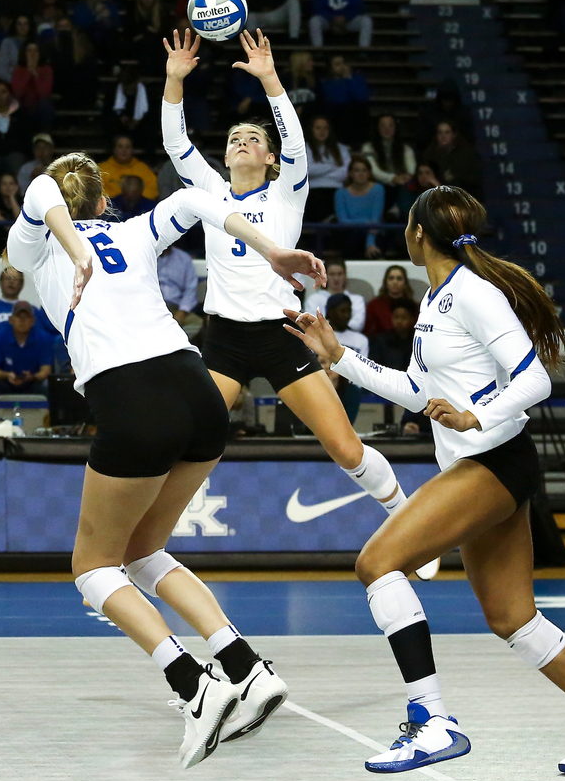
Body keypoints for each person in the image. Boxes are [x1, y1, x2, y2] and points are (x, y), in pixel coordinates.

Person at [285, 184, 565, 776]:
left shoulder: (473, 295)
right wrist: (337, 357)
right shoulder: (438, 299)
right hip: (490, 463)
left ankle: (431, 720)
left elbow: (535, 380)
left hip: (493, 460)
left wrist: (475, 415)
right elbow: (416, 391)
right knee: (513, 618)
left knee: (376, 564)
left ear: (417, 234)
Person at [5, 148, 322, 768]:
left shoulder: (35, 246)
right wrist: (272, 250)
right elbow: (196, 200)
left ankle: (192, 684)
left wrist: (71, 250)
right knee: (145, 551)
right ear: (103, 202)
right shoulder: (133, 229)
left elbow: (40, 187)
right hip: (199, 392)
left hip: (133, 397)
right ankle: (243, 665)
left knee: (93, 568)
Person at [161, 29, 429, 573]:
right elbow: (173, 142)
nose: (240, 141)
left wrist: (269, 78)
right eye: (234, 136)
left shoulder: (287, 190)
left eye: (252, 138)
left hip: (282, 334)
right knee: (188, 439)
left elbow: (298, 143)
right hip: (225, 338)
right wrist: (174, 79)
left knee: (345, 448)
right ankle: (144, 545)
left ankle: (409, 522)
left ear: (269, 158)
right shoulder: (208, 191)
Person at [0, 301, 54, 402]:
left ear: (33, 321)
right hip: (6, 382)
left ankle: (52, 417)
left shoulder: (44, 338)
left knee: (48, 385)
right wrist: (7, 375)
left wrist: (32, 377)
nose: (22, 321)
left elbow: (46, 370)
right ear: (11, 320)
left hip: (32, 383)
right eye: (18, 317)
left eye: (26, 317)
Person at [324, 293, 369, 422]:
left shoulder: (361, 340)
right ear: (330, 312)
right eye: (342, 311)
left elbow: (363, 370)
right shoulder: (319, 336)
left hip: (351, 388)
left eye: (349, 311)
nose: (347, 316)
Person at [335, 155, 386, 258]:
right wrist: (365, 222)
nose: (361, 174)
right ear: (350, 173)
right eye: (357, 170)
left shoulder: (378, 189)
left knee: (376, 248)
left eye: (364, 170)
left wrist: (370, 244)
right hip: (350, 234)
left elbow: (375, 221)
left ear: (369, 173)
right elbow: (343, 221)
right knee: (353, 238)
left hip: (374, 234)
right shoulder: (341, 193)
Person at [361, 114, 416, 208]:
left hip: (401, 185)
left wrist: (405, 178)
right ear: (377, 128)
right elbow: (373, 171)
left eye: (390, 125)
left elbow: (411, 169)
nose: (387, 129)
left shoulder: (406, 149)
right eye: (383, 126)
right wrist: (392, 178)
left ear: (395, 128)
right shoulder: (368, 148)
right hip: (378, 185)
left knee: (408, 188)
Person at [304, 114, 351, 222]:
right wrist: (333, 166)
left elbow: (345, 172)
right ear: (312, 130)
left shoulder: (341, 149)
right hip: (312, 192)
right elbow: (307, 170)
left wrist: (319, 170)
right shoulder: (304, 149)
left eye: (325, 128)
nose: (322, 131)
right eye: (318, 128)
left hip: (337, 190)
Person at [419, 120, 483, 199]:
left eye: (447, 133)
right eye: (440, 133)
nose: (443, 136)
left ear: (454, 135)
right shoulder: (430, 153)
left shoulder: (466, 155)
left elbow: (470, 182)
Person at [305, 255, 366, 333]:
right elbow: (312, 323)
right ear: (324, 275)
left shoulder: (357, 300)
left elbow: (358, 325)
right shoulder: (314, 299)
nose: (336, 278)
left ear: (345, 275)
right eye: (332, 274)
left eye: (340, 274)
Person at [321, 55, 371, 146]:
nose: (342, 67)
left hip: (357, 119)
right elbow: (338, 99)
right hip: (339, 119)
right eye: (337, 64)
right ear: (331, 68)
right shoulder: (327, 83)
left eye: (343, 63)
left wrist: (349, 79)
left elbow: (362, 97)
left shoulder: (357, 79)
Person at [157, 243, 201, 338]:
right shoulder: (145, 256)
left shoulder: (183, 258)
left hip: (176, 307)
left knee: (198, 324)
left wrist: (182, 311)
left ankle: (181, 350)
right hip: (153, 307)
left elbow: (190, 289)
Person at [364, 264, 418, 338]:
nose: (395, 282)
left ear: (405, 283)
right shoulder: (374, 305)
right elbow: (370, 333)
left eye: (399, 279)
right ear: (386, 282)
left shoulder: (414, 307)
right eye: (391, 278)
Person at [99, 134, 158, 201]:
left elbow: (153, 189)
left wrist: (134, 198)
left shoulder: (142, 168)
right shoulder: (102, 168)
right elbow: (97, 191)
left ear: (132, 149)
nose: (124, 150)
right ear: (114, 149)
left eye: (127, 147)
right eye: (120, 146)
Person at [368, 299, 416, 370]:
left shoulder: (417, 342)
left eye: (404, 317)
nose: (399, 321)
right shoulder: (379, 341)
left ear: (412, 319)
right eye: (396, 317)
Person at [0, 15, 33, 84]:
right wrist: (16, 82)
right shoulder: (7, 42)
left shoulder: (34, 43)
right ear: (15, 26)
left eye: (25, 24)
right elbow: (1, 71)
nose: (22, 27)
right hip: (11, 83)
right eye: (19, 24)